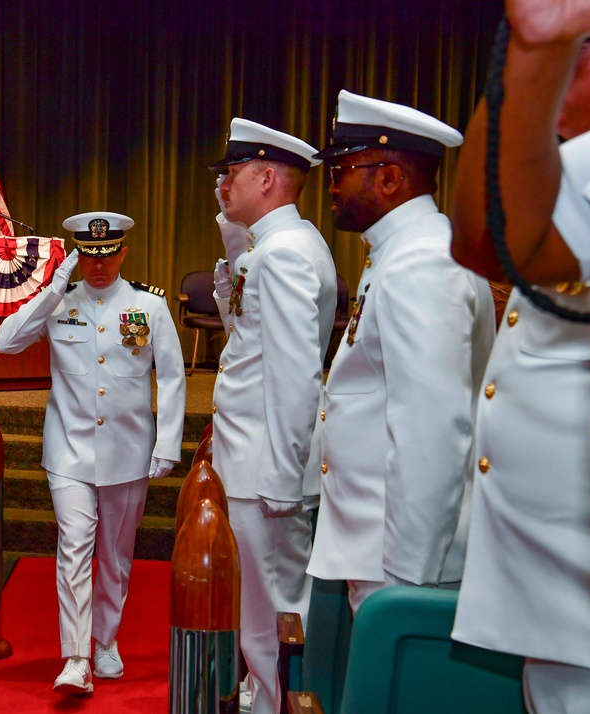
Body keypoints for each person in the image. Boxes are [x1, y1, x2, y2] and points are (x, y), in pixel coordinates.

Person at [305, 90, 496, 614]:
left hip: (404, 564)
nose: (332, 183)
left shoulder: (422, 263)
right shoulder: (400, 254)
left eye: (343, 167)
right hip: (381, 551)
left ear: (390, 178)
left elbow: (433, 432)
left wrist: (407, 585)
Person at [450, 6, 590, 711]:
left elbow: (495, 243)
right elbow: (478, 235)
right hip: (561, 603)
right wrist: (527, 53)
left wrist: (538, 50)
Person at [0, 213, 186, 696]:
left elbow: (172, 376)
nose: (97, 266)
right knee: (74, 548)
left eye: (107, 254)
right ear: (77, 256)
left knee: (117, 555)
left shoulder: (149, 306)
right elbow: (6, 341)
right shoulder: (61, 304)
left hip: (128, 450)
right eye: (87, 256)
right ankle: (76, 656)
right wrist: (52, 291)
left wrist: (166, 444)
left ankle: (106, 641)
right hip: (69, 449)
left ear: (123, 252)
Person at [207, 118, 337, 714]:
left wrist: (282, 477)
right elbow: (245, 334)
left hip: (266, 469)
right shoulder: (283, 245)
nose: (222, 185)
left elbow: (292, 374)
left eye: (231, 174)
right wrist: (232, 234)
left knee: (273, 610)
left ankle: (271, 704)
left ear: (265, 176)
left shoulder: (283, 256)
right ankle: (266, 695)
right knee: (262, 610)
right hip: (256, 459)